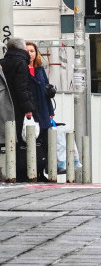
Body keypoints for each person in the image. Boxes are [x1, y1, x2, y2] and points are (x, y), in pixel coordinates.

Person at [1, 38, 37, 180]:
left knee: (7, 139)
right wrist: (29, 109)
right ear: (22, 49)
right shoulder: (21, 63)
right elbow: (22, 88)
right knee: (21, 140)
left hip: (4, 107)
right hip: (19, 108)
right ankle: (20, 173)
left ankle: (7, 171)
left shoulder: (3, 63)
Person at [25, 41, 55, 175]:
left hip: (43, 109)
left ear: (36, 53)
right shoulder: (21, 69)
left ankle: (42, 171)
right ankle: (32, 172)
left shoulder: (40, 69)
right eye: (27, 51)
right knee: (31, 141)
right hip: (29, 111)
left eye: (32, 51)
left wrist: (50, 111)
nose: (29, 54)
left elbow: (47, 90)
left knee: (44, 142)